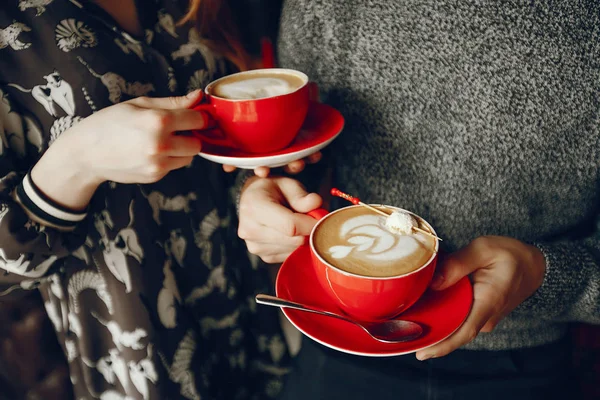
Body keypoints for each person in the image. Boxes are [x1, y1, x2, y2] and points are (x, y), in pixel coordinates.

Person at [237, 1, 600, 398]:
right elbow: (297, 149)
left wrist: (546, 274)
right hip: (342, 334)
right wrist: (260, 190)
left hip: (525, 359)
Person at [0, 1, 312, 398]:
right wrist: (78, 161)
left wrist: (258, 186)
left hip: (254, 311)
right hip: (133, 345)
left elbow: (243, 129)